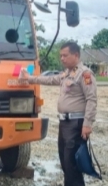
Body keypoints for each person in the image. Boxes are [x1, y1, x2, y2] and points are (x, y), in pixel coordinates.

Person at [19, 41, 97, 186]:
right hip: (65, 123)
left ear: (76, 55)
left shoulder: (85, 74)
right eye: (60, 55)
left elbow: (91, 99)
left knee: (72, 163)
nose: (62, 58)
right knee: (65, 162)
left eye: (65, 55)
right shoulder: (68, 73)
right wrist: (29, 78)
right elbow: (49, 79)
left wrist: (87, 124)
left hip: (76, 124)